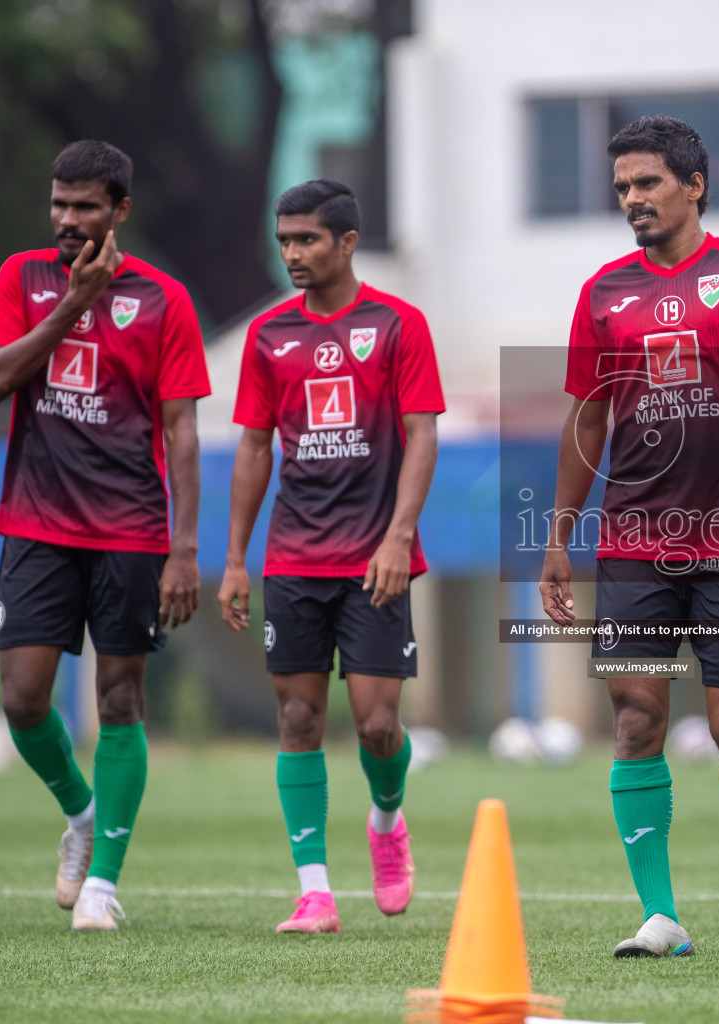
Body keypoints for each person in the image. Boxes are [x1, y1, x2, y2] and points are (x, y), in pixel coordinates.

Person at [540, 116, 719, 957]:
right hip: (630, 540)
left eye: (647, 183)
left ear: (694, 185)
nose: (632, 200)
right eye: (622, 187)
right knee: (634, 719)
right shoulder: (603, 293)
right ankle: (661, 915)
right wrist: (558, 535)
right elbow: (587, 414)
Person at [0, 141, 209, 931]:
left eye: (85, 207)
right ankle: (79, 811)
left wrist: (185, 548)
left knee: (120, 698)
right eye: (59, 204)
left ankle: (103, 882)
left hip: (132, 531)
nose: (68, 220)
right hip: (36, 522)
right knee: (21, 699)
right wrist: (73, 304)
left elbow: (180, 430)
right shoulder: (23, 278)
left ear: (120, 211)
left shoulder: (166, 300)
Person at [218, 179, 444, 934]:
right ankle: (314, 891)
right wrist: (234, 560)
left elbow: (422, 437)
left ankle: (386, 820)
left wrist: (398, 537)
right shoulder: (268, 335)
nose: (293, 254)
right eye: (284, 241)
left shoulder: (398, 325)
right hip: (293, 557)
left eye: (307, 240)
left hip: (374, 560)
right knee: (297, 716)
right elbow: (252, 447)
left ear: (346, 243)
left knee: (378, 726)